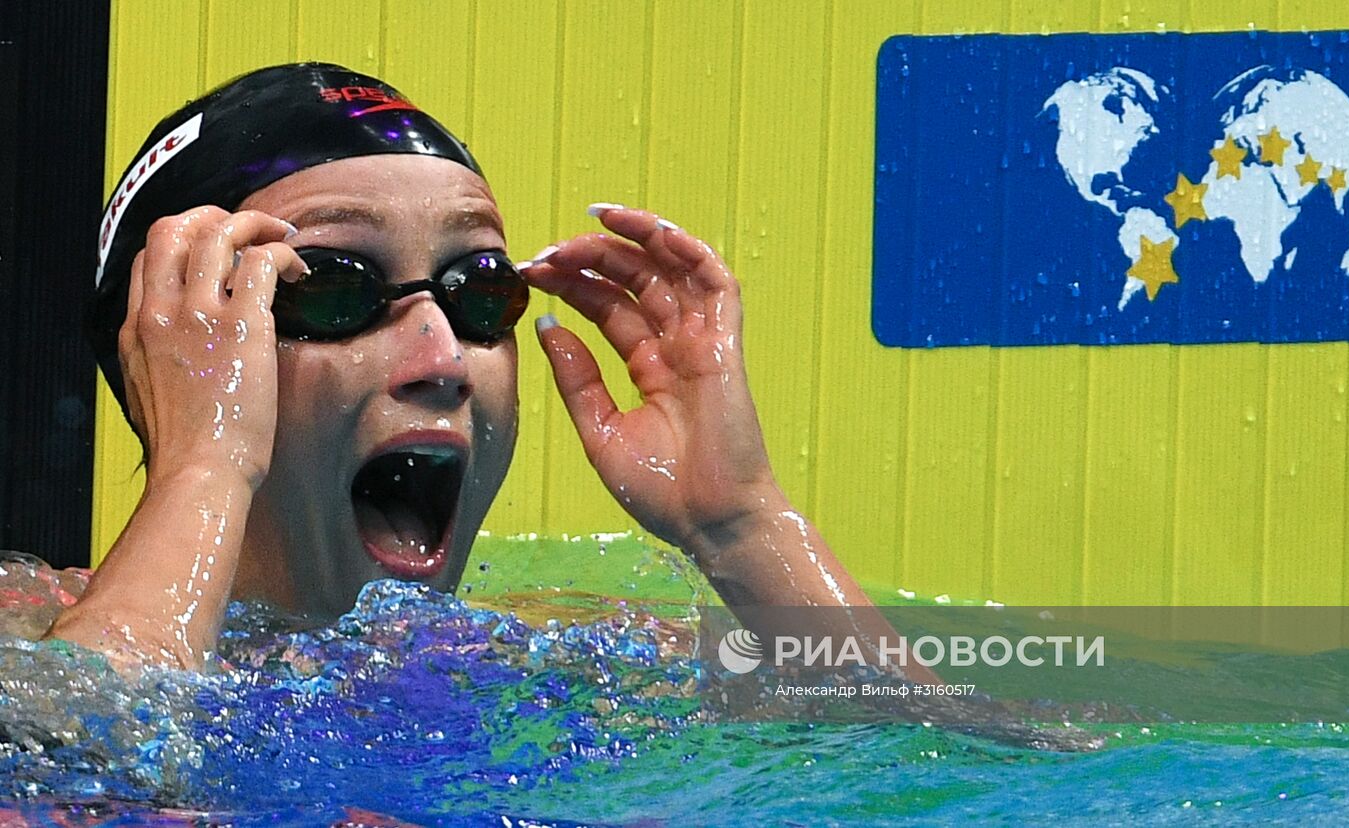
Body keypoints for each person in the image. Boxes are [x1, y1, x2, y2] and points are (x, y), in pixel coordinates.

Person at [43, 63, 886, 674]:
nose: (444, 358)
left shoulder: (558, 661)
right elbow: (81, 762)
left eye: (479, 292)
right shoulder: (27, 634)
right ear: (169, 352)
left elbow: (954, 746)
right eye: (336, 290)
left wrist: (744, 524)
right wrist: (204, 465)